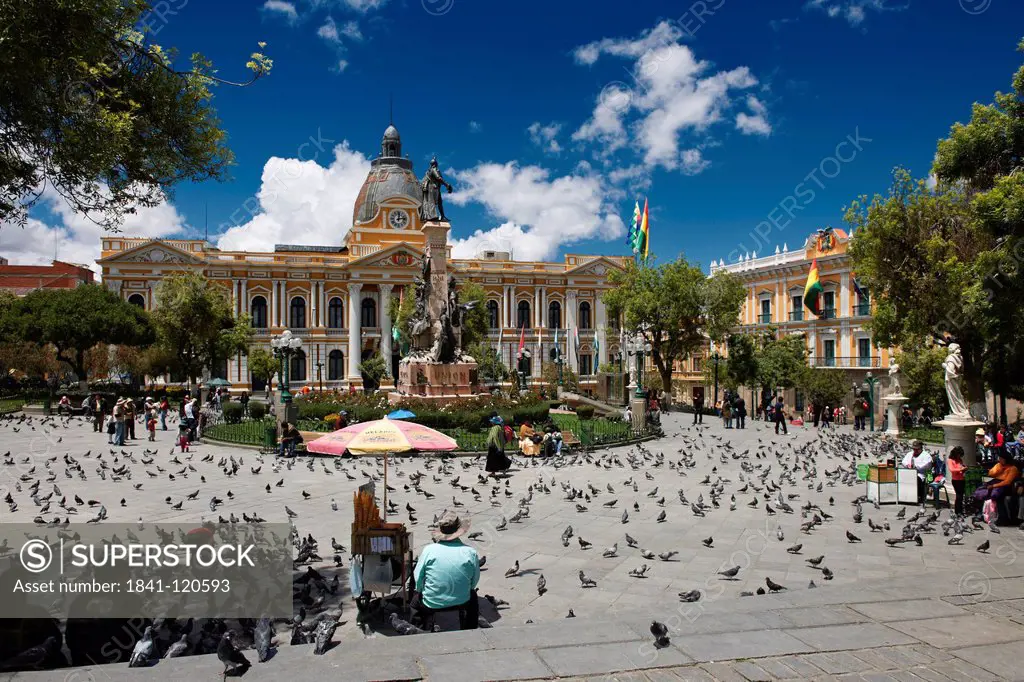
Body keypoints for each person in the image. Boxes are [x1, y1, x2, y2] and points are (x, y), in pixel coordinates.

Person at [412, 511, 480, 630]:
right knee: (473, 597)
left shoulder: (429, 550)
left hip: (431, 602)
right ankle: (470, 631)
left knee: (414, 603)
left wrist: (421, 590)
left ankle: (418, 632)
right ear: (458, 531)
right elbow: (474, 582)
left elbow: (418, 579)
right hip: (462, 601)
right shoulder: (470, 552)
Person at [972, 450, 1019, 515]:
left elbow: (1007, 482)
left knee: (994, 494)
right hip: (994, 481)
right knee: (979, 492)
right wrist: (997, 470)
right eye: (999, 458)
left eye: (1001, 459)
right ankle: (981, 512)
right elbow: (990, 474)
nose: (999, 460)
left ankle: (998, 516)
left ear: (1006, 459)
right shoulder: (998, 465)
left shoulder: (1013, 468)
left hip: (1005, 486)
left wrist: (994, 486)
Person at [901, 440, 934, 504]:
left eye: (917, 449)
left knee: (915, 479)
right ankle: (905, 497)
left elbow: (927, 465)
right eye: (914, 449)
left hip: (921, 474)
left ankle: (916, 497)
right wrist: (907, 465)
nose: (915, 451)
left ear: (921, 448)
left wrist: (917, 467)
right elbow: (903, 461)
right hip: (909, 473)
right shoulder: (910, 454)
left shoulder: (926, 455)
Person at [947, 447, 967, 517]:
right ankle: (957, 511)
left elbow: (960, 469)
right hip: (956, 480)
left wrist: (963, 469)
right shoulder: (950, 460)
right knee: (958, 496)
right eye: (959, 455)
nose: (960, 456)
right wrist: (960, 469)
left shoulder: (960, 460)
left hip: (962, 479)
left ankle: (960, 510)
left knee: (961, 496)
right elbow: (952, 469)